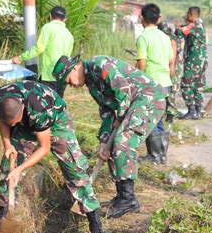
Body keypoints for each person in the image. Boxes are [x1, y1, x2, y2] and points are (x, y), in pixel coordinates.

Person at [0, 81, 108, 233]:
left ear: (22, 108)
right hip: (27, 125)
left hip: (56, 123)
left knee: (75, 171)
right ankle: (4, 218)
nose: (13, 126)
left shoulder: (40, 108)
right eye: (11, 124)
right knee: (7, 170)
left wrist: (20, 169)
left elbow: (44, 148)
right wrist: (8, 144)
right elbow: (3, 121)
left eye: (15, 122)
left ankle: (95, 226)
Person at [52, 55, 167, 218]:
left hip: (148, 98)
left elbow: (123, 91)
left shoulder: (99, 65)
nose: (68, 84)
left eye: (67, 79)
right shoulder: (91, 84)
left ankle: (128, 199)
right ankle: (122, 196)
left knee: (123, 142)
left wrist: (120, 118)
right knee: (112, 146)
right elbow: (106, 112)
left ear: (76, 67)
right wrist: (104, 142)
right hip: (132, 105)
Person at [136, 3, 175, 164]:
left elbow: (141, 63)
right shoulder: (164, 37)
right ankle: (160, 155)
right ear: (157, 19)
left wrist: (137, 80)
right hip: (165, 82)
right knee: (158, 118)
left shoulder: (143, 37)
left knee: (152, 119)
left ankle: (155, 155)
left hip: (151, 83)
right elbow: (171, 60)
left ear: (142, 18)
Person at [12, 6, 74, 96]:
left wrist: (20, 58)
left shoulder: (48, 28)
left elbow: (39, 48)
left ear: (50, 16)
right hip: (62, 76)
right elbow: (68, 57)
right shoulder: (69, 35)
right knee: (58, 104)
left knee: (45, 105)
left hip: (48, 75)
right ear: (65, 19)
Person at [174, 6, 208, 120]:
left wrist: (178, 27)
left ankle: (191, 110)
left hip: (194, 61)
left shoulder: (196, 26)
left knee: (186, 84)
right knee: (198, 86)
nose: (186, 17)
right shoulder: (200, 25)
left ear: (192, 15)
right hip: (200, 61)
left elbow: (182, 31)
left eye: (188, 15)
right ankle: (197, 111)